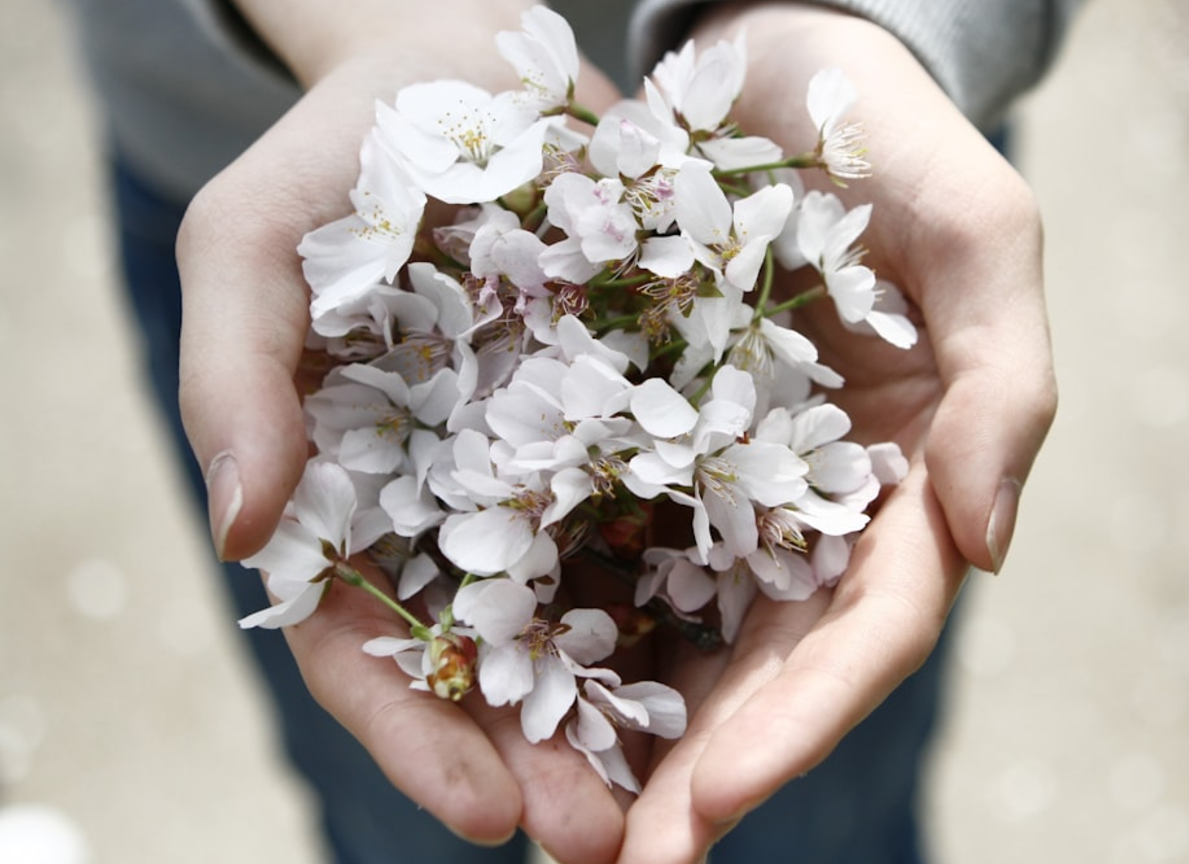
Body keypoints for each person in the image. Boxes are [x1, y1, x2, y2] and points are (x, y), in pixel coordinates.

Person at [67, 0, 1074, 861]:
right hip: (251, 136)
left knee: (817, 810)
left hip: (807, 105)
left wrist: (852, 21)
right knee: (397, 810)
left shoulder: (747, 269)